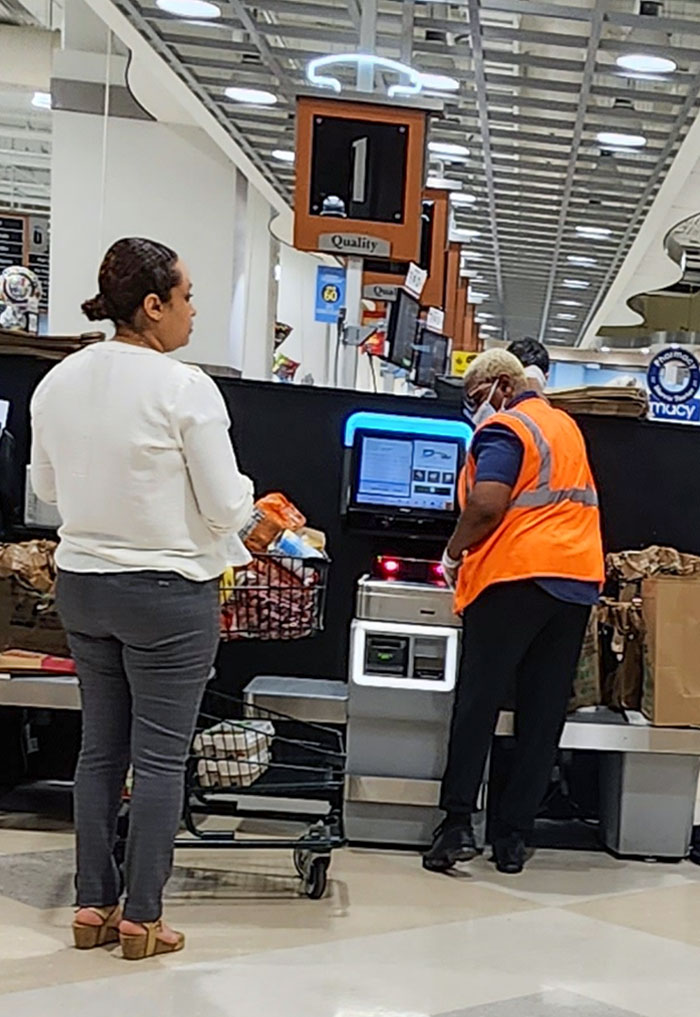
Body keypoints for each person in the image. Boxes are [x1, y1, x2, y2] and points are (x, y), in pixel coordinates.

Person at [30, 238, 255, 959]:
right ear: (153, 305)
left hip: (83, 585)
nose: (193, 311)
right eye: (187, 297)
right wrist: (248, 501)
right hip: (167, 594)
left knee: (99, 751)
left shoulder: (57, 381)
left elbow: (46, 491)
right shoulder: (185, 387)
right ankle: (144, 918)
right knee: (159, 759)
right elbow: (225, 505)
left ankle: (91, 906)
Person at [424, 349, 603, 875]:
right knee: (542, 715)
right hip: (574, 582)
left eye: (477, 398)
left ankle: (456, 825)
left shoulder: (506, 428)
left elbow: (486, 504)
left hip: (514, 578)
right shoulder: (565, 426)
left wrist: (452, 553)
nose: (476, 409)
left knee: (478, 703)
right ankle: (513, 837)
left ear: (504, 385)